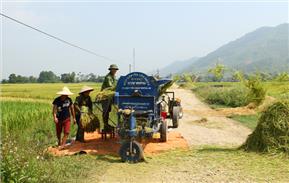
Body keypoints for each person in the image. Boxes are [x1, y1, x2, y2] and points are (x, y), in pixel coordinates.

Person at [101, 64, 118, 133]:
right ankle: (106, 126)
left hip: (111, 95)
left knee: (109, 110)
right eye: (113, 69)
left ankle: (107, 125)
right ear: (110, 70)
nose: (114, 71)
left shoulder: (114, 77)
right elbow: (111, 87)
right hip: (105, 96)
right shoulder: (108, 77)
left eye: (115, 69)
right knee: (106, 111)